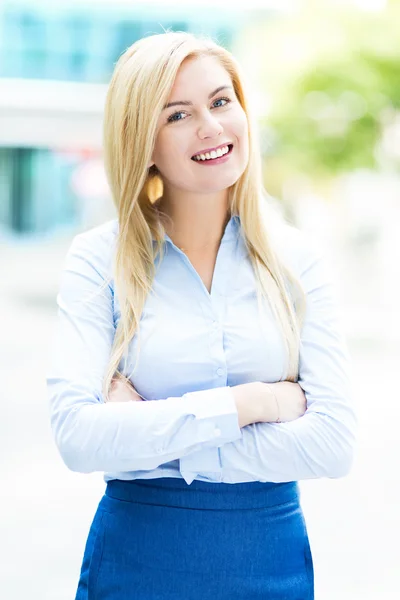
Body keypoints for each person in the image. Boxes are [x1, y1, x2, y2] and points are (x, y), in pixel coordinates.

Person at [46, 30, 357, 600]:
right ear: (142, 139)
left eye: (220, 101)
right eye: (178, 115)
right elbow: (79, 439)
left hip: (271, 563)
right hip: (138, 564)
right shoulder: (100, 259)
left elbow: (333, 445)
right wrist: (253, 404)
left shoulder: (298, 261)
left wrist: (148, 433)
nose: (211, 127)